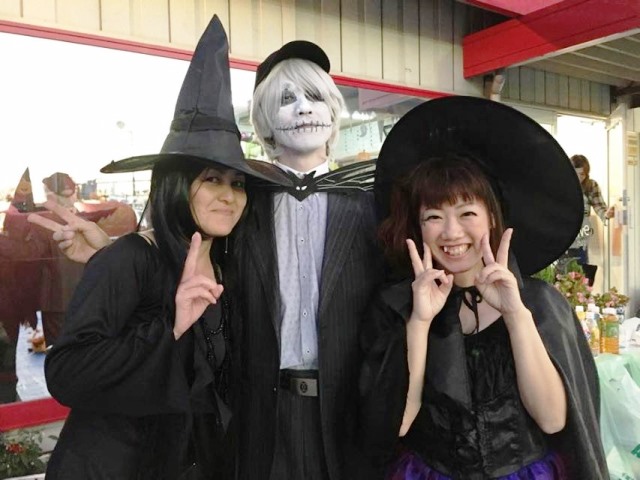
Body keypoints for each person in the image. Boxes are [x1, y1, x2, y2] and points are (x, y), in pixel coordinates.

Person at [42, 16, 286, 479]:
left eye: (237, 183)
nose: (228, 196)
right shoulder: (131, 258)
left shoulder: (230, 266)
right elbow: (67, 373)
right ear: (177, 184)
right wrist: (170, 326)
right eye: (211, 179)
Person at [359, 97, 608, 479]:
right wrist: (420, 322)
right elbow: (398, 424)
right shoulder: (397, 306)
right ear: (418, 226)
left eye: (467, 213)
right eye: (433, 217)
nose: (451, 232)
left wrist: (515, 313)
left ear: (492, 217)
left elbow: (553, 418)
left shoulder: (540, 302)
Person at [230, 41, 384, 480]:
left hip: (347, 413)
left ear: (333, 110)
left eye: (315, 96)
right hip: (261, 415)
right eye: (286, 99)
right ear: (265, 120)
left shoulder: (369, 204)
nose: (303, 108)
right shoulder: (241, 204)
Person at [566, 154, 614, 281]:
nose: (579, 178)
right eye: (576, 174)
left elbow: (599, 206)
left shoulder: (591, 185)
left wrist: (606, 214)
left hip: (582, 233)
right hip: (564, 231)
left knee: (581, 267)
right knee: (563, 268)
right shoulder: (563, 184)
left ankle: (581, 288)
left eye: (582, 174)